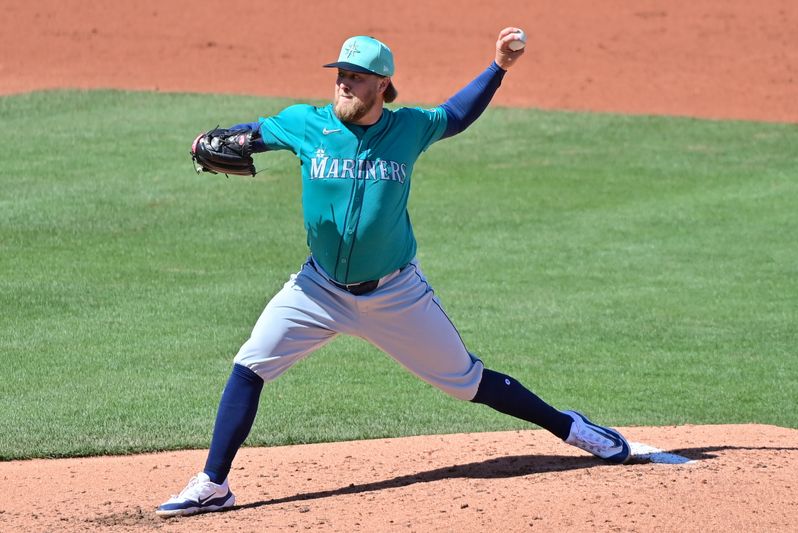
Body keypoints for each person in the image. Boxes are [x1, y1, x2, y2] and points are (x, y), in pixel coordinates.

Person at [157, 27, 631, 518]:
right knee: (251, 364)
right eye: (340, 75)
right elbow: (249, 135)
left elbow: (456, 115)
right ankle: (213, 483)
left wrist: (499, 67)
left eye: (356, 78)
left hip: (395, 294)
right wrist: (209, 140)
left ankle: (571, 428)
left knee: (468, 382)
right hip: (317, 289)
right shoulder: (306, 124)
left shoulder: (408, 128)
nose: (343, 84)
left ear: (382, 84)